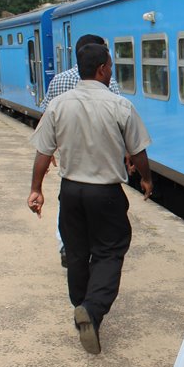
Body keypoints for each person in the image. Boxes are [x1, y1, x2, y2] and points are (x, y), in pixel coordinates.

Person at [27, 43, 154, 355]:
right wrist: (147, 178)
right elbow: (138, 151)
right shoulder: (120, 106)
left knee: (77, 251)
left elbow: (43, 153)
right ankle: (92, 309)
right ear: (102, 69)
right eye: (110, 66)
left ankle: (81, 308)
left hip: (71, 191)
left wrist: (36, 189)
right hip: (106, 193)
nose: (111, 71)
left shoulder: (58, 105)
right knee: (110, 252)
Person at [43, 34, 122, 268]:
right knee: (99, 212)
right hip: (101, 160)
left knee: (67, 205)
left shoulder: (58, 80)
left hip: (70, 157)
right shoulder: (111, 83)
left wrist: (47, 152)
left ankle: (66, 245)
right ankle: (94, 250)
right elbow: (119, 119)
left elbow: (47, 116)